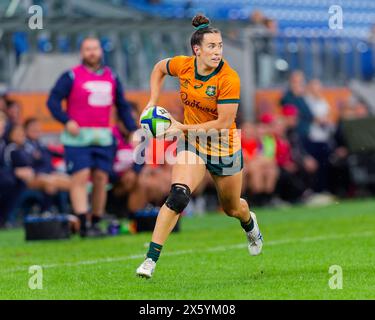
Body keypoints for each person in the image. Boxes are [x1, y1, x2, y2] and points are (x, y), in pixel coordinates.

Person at [136, 15, 263, 279]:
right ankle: (150, 260)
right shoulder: (184, 66)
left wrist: (180, 127)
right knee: (178, 196)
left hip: (223, 146)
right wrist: (152, 100)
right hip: (193, 144)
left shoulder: (229, 78)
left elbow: (223, 122)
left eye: (220, 46)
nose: (217, 51)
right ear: (197, 50)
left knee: (231, 208)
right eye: (212, 46)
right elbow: (159, 68)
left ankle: (249, 222)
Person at [47, 36, 138, 237]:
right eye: (87, 49)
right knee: (79, 176)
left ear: (100, 51)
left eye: (95, 48)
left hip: (103, 136)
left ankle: (95, 220)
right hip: (78, 138)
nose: (92, 52)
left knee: (100, 178)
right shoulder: (70, 76)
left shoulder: (112, 77)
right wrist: (66, 120)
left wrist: (132, 129)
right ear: (82, 52)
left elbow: (122, 106)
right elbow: (53, 102)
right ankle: (83, 222)